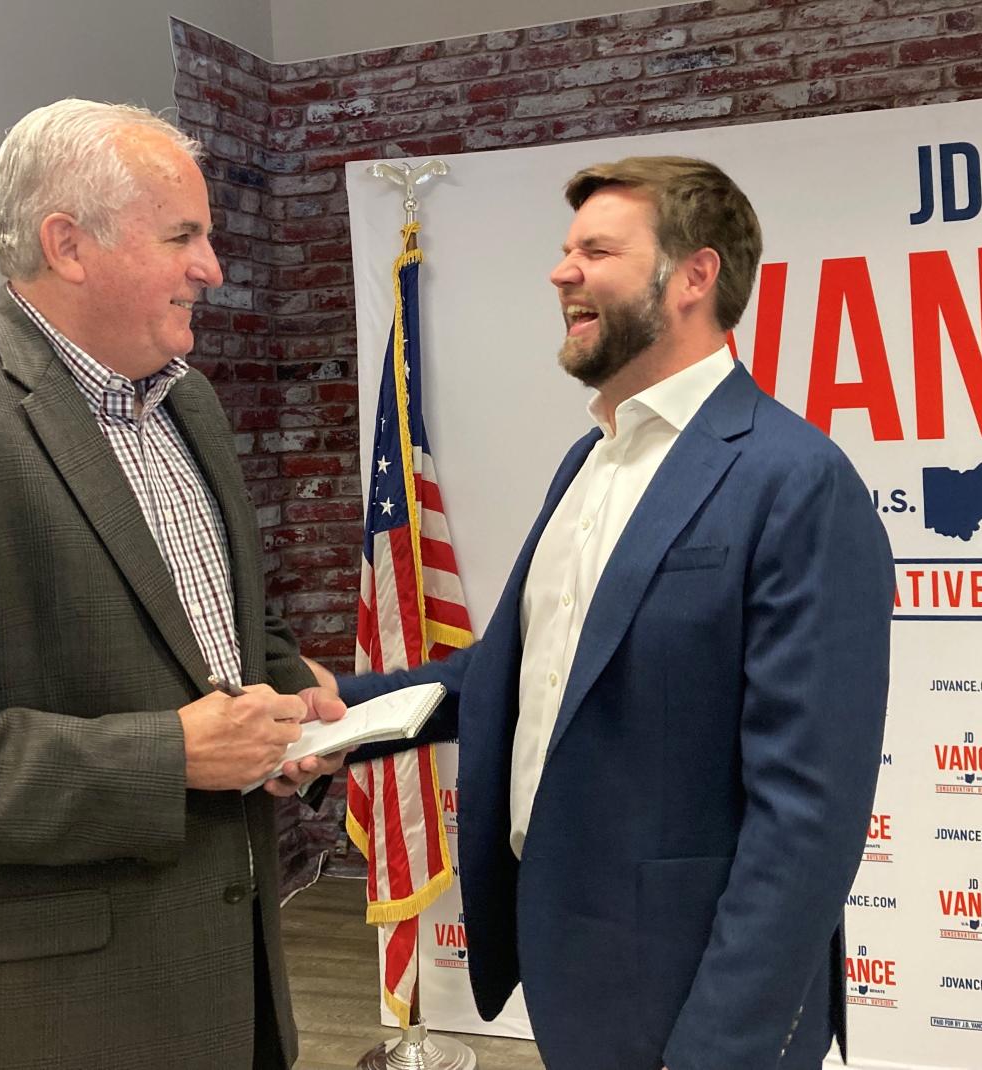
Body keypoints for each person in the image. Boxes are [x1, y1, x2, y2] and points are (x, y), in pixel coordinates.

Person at [0, 99, 345, 1070]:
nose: (212, 266)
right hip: (44, 1021)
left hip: (230, 996)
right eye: (184, 235)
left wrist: (288, 687)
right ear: (68, 244)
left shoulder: (191, 401)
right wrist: (167, 752)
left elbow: (212, 629)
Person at [329, 156, 894, 1070]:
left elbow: (809, 817)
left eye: (596, 250)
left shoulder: (798, 482)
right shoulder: (587, 463)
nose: (561, 272)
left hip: (695, 991)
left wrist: (718, 1049)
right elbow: (515, 669)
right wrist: (341, 714)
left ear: (694, 277)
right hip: (568, 958)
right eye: (564, 250)